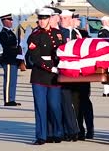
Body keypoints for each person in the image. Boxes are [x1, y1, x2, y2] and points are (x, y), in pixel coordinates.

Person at [27, 8, 64, 145]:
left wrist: (62, 67)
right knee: (41, 107)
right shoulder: (34, 36)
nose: (42, 21)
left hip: (55, 76)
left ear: (49, 19)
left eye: (44, 19)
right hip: (40, 76)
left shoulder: (58, 34)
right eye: (40, 19)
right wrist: (51, 67)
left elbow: (63, 51)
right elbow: (35, 57)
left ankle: (57, 132)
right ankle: (41, 136)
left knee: (54, 106)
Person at [58, 9, 80, 142]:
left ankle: (78, 129)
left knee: (77, 103)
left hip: (78, 74)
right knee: (65, 102)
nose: (62, 20)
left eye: (65, 18)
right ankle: (70, 130)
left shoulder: (78, 33)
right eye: (61, 18)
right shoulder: (60, 33)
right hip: (65, 73)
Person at [72, 13, 94, 140]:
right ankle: (79, 129)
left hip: (83, 74)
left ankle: (90, 128)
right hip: (72, 76)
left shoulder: (84, 34)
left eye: (77, 19)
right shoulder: (66, 33)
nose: (77, 21)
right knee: (75, 103)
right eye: (75, 19)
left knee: (85, 102)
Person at [0, 13, 22, 106]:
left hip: (13, 59)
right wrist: (16, 49)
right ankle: (8, 100)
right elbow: (7, 46)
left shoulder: (10, 32)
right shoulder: (3, 33)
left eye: (11, 20)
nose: (11, 22)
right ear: (4, 21)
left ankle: (12, 98)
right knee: (8, 81)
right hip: (8, 59)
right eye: (9, 20)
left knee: (13, 80)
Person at [98, 16, 109, 97]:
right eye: (108, 21)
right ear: (104, 22)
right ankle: (106, 91)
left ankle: (108, 90)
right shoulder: (102, 31)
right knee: (106, 72)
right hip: (105, 54)